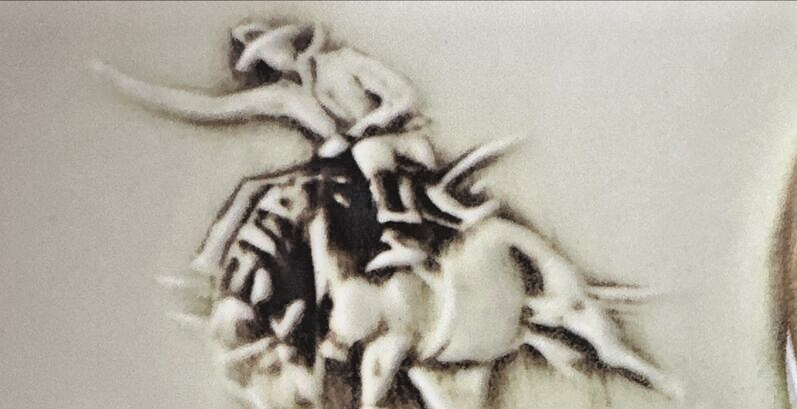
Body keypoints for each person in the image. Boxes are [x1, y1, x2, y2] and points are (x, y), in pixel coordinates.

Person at [95, 18, 498, 276]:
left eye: (269, 50)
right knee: (253, 188)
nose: (269, 60)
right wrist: (128, 85)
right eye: (262, 57)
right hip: (342, 169)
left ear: (289, 44)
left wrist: (366, 127)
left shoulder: (344, 62)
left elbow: (405, 97)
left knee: (368, 151)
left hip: (399, 148)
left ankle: (402, 231)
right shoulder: (286, 97)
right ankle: (209, 267)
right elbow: (209, 108)